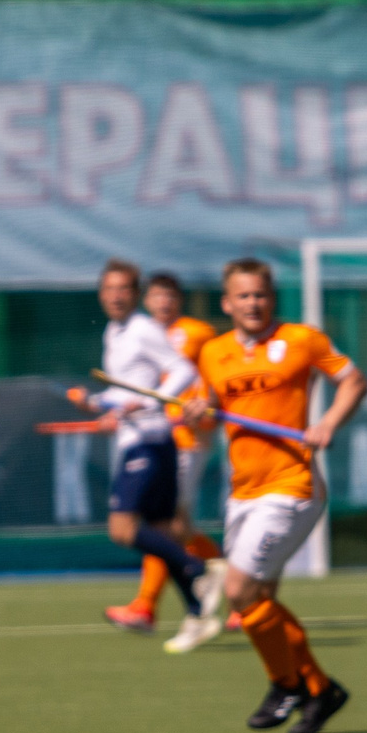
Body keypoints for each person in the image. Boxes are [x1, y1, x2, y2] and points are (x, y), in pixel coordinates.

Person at [185, 258, 367, 733]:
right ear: (227, 303)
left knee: (238, 591)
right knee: (259, 598)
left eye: (260, 294)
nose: (253, 303)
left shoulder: (303, 340)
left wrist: (328, 423)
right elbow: (207, 412)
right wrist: (197, 412)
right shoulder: (213, 352)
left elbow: (353, 380)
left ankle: (285, 684)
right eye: (243, 296)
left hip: (291, 486)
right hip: (242, 492)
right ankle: (321, 690)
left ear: (272, 298)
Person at [79, 260, 229, 646]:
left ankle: (199, 568)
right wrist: (97, 402)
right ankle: (197, 612)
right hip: (149, 441)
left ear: (135, 294)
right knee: (165, 534)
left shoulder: (143, 329)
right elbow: (127, 389)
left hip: (148, 440)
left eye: (123, 288)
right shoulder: (114, 332)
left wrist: (147, 404)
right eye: (109, 288)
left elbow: (182, 371)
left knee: (122, 529)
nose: (115, 296)